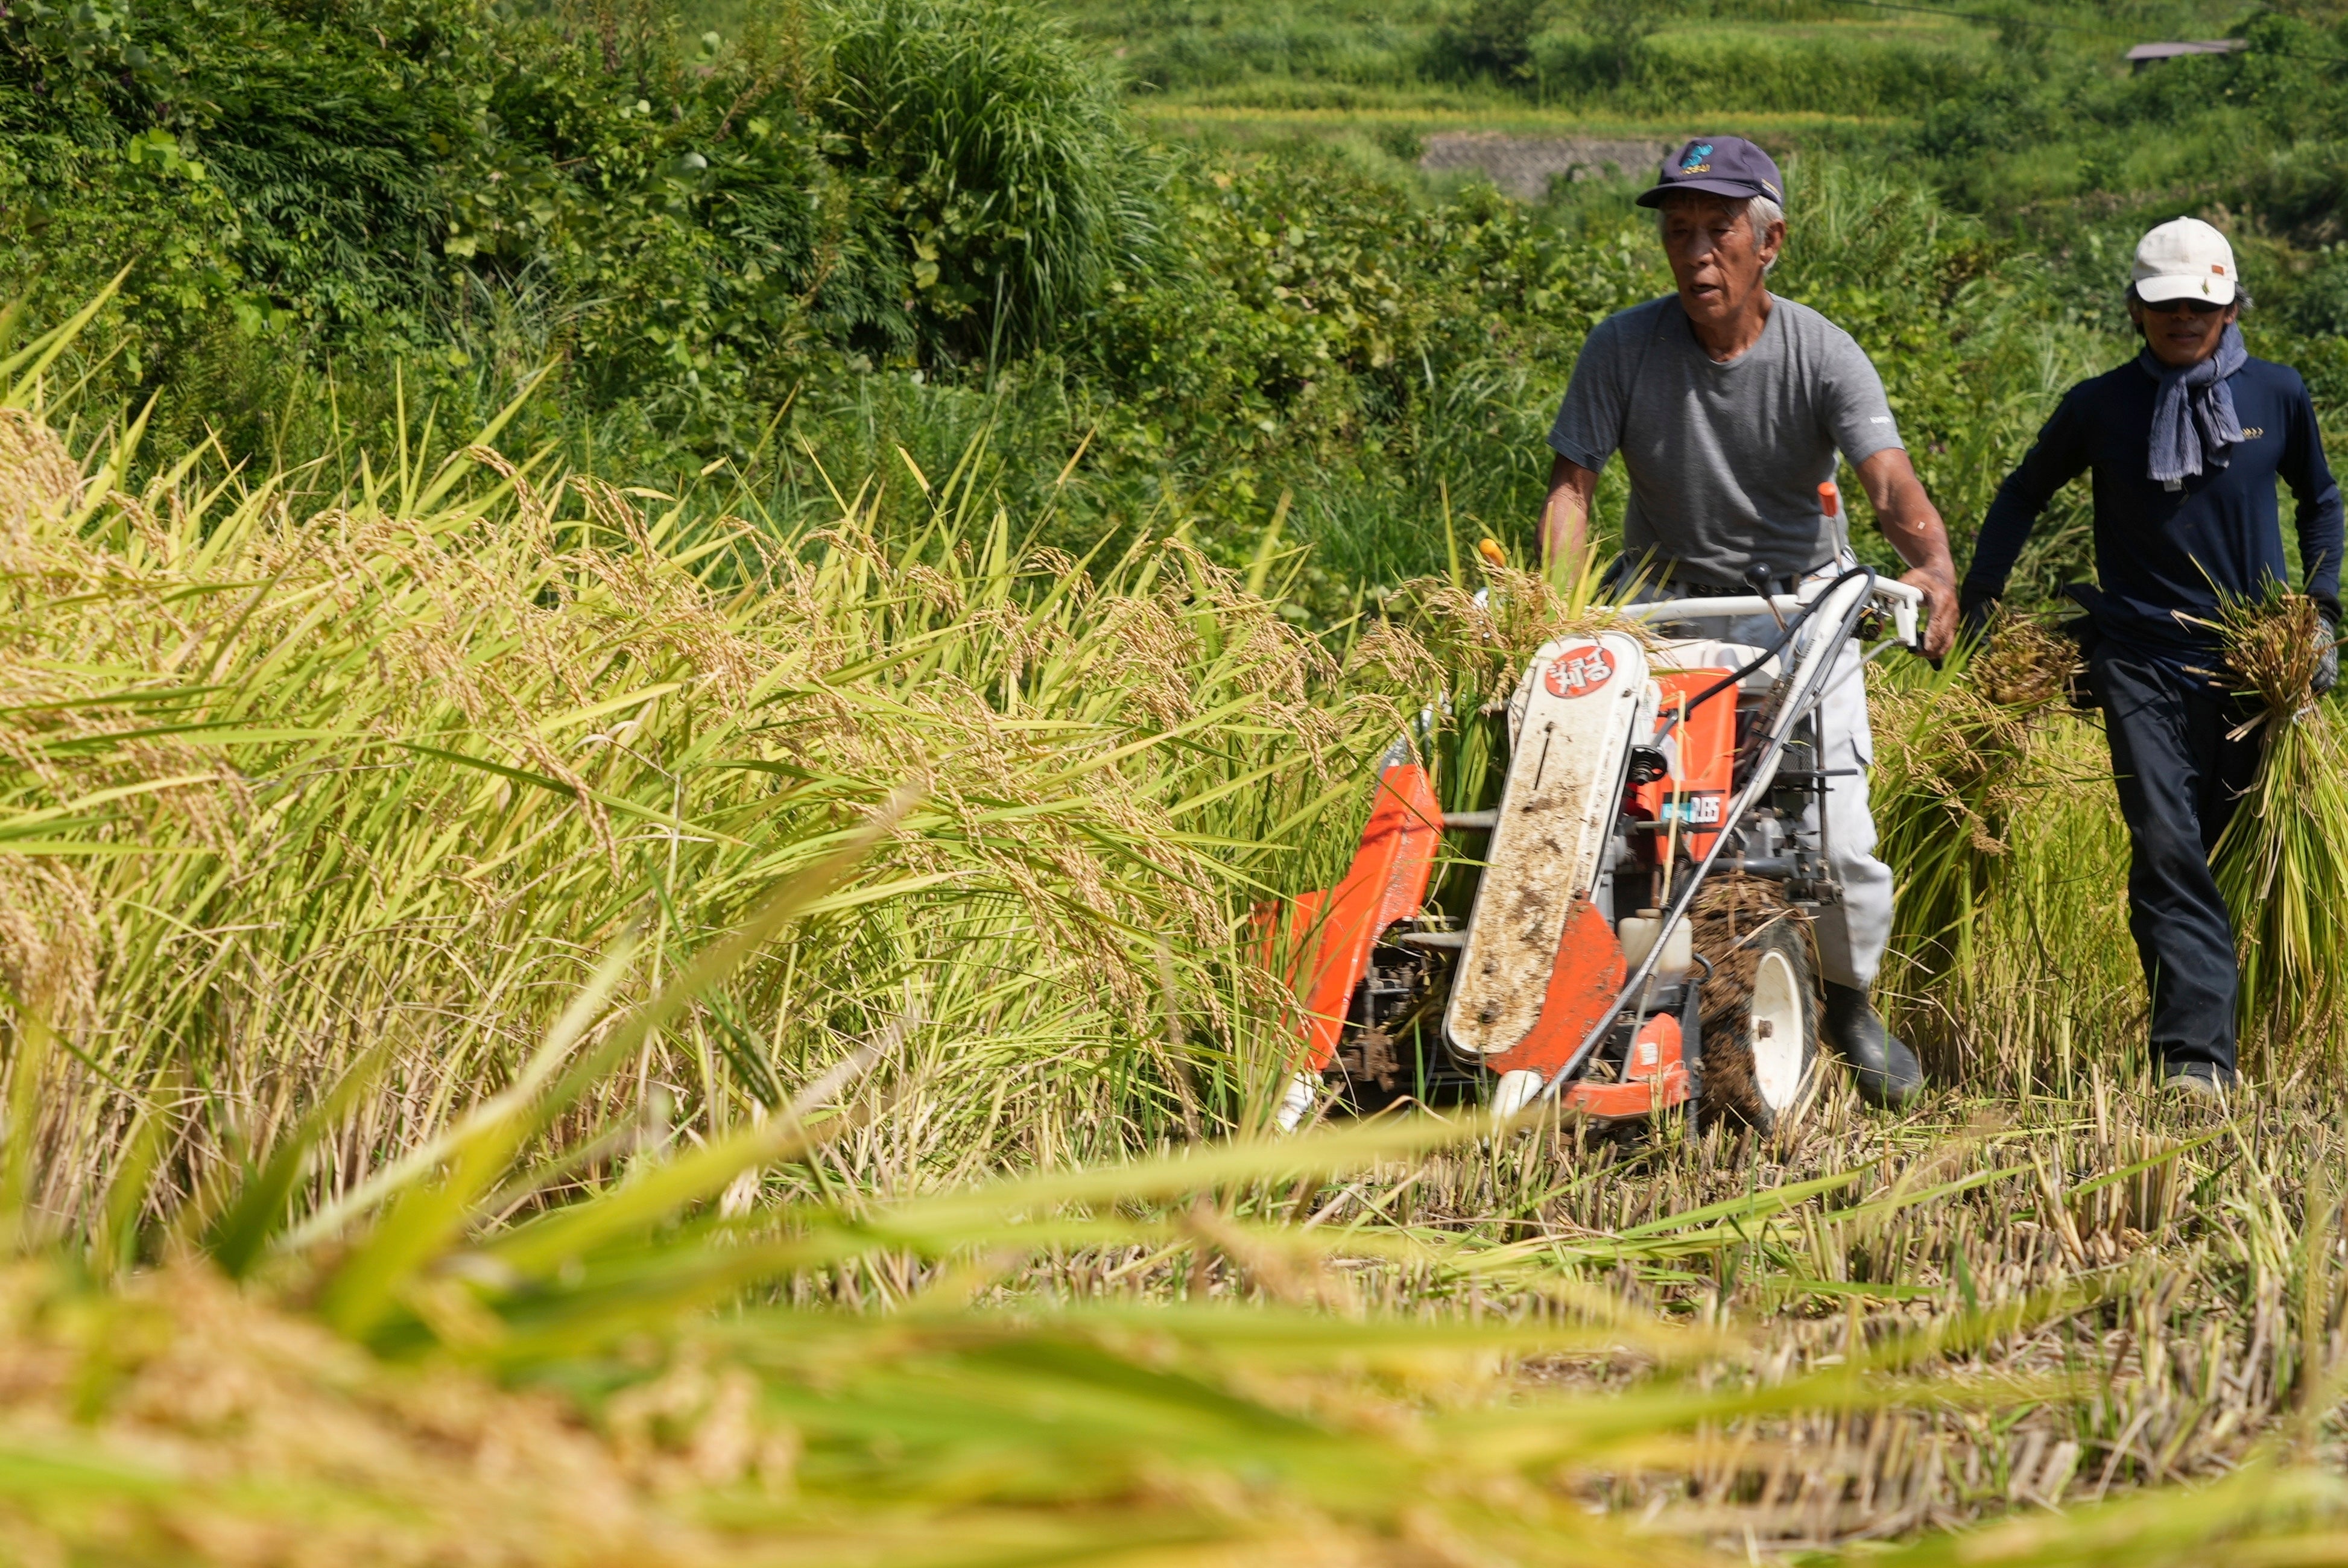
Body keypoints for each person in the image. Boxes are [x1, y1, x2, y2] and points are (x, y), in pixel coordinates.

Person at [1541, 134, 1959, 1110]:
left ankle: (1850, 1005)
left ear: (1767, 243)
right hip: (1664, 606)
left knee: (1838, 836)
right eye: (1676, 232)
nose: (1694, 253)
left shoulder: (1819, 350)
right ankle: (1598, 1002)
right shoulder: (1621, 347)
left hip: (1800, 607)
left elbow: (1886, 479)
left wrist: (1932, 567)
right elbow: (1572, 489)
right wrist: (1554, 614)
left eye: (1716, 232)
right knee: (1615, 820)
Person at [1961, 217, 2343, 1099]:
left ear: (2231, 306)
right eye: (2164, 303)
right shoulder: (2098, 407)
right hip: (2134, 656)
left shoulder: (2277, 396)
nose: (2182, 318)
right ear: (2134, 310)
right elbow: (2021, 494)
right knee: (2168, 848)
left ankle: (2212, 1027)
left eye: (2199, 304)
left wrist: (2319, 613)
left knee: (2206, 856)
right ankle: (2194, 1062)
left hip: (2254, 671)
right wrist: (1980, 602)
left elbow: (2320, 502)